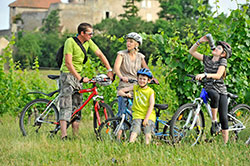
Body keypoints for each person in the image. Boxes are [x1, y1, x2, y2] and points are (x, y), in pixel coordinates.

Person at [58, 22, 113, 140]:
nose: (92, 35)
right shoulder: (70, 42)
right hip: (67, 75)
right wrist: (80, 78)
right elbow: (68, 63)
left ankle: (76, 136)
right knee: (66, 104)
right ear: (82, 33)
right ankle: (64, 136)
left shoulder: (88, 42)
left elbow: (100, 54)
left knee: (78, 105)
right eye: (90, 33)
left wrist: (109, 69)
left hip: (78, 76)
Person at [114, 32, 158, 139]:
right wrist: (121, 76)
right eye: (127, 41)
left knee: (137, 112)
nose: (128, 43)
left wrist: (152, 78)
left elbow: (146, 69)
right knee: (123, 112)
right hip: (125, 85)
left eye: (131, 42)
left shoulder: (140, 56)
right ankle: (118, 136)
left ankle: (136, 134)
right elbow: (116, 68)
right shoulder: (121, 54)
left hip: (138, 86)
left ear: (137, 44)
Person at [189, 35, 232, 144]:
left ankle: (225, 143)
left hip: (220, 89)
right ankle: (213, 121)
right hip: (209, 87)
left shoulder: (222, 62)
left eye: (219, 48)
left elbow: (218, 75)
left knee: (223, 117)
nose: (215, 48)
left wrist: (205, 74)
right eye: (216, 46)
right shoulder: (207, 59)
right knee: (213, 94)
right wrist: (199, 41)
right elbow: (192, 52)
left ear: (223, 54)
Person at [118, 68, 155, 144]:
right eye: (140, 79)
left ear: (148, 81)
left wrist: (146, 118)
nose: (141, 81)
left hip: (148, 115)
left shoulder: (150, 91)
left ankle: (147, 146)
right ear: (137, 79)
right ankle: (130, 144)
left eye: (144, 79)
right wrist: (126, 94)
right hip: (137, 114)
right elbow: (120, 91)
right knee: (135, 129)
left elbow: (151, 105)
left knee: (147, 130)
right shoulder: (135, 87)